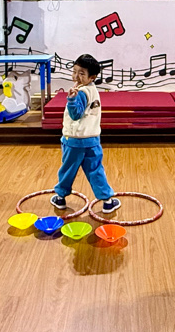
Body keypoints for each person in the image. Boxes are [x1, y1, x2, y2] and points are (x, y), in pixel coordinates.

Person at [50, 54, 122, 214]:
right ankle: (107, 202)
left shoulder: (81, 93)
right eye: (74, 71)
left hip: (74, 141)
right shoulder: (92, 90)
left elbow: (75, 114)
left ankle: (60, 198)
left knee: (68, 170)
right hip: (92, 140)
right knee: (96, 171)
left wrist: (71, 99)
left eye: (81, 73)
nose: (76, 76)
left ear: (92, 77)